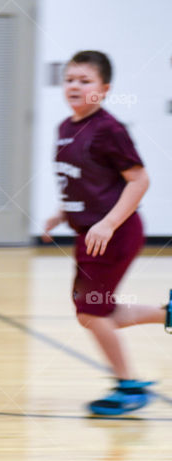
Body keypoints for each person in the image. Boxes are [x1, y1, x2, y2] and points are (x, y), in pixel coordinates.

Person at [43, 50, 172, 415]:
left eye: (85, 81)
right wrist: (59, 215)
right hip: (90, 233)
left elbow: (139, 179)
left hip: (114, 234)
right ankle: (168, 314)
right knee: (93, 312)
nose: (75, 86)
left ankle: (129, 386)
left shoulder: (109, 129)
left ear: (103, 89)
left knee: (92, 311)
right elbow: (83, 181)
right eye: (70, 79)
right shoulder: (66, 128)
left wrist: (109, 223)